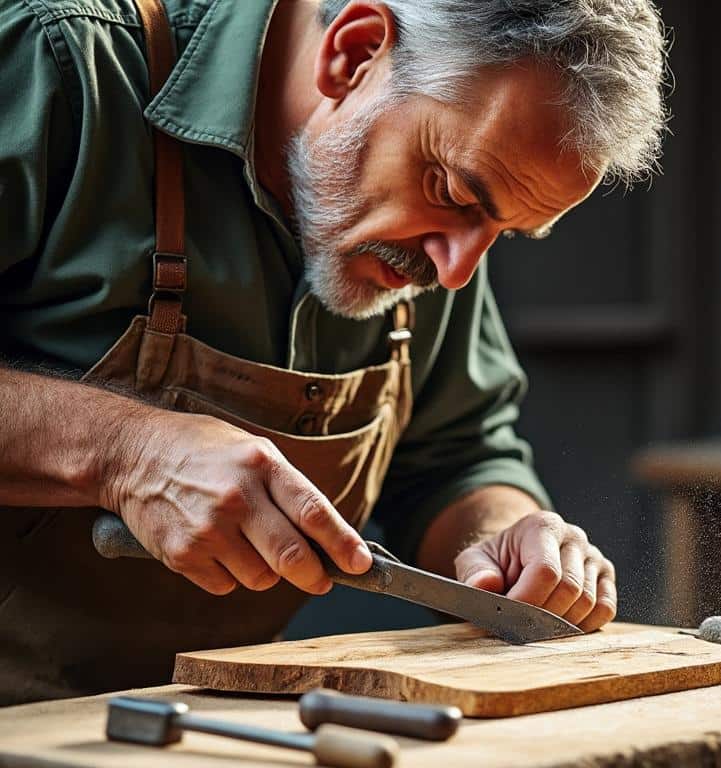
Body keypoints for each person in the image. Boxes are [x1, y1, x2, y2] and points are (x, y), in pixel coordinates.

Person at [0, 0, 668, 704]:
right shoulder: (57, 59)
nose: (456, 274)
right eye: (452, 191)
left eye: (504, 232)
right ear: (353, 54)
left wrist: (504, 535)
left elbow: (457, 457)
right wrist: (126, 452)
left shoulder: (440, 223)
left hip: (210, 723)